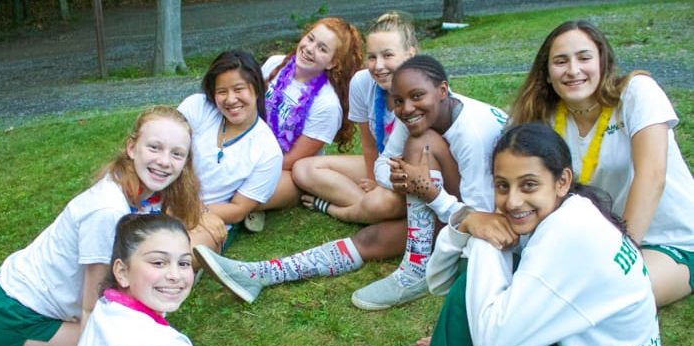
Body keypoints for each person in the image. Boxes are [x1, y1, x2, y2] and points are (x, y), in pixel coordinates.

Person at [194, 55, 506, 311]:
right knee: (371, 239)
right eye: (398, 101)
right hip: (449, 201)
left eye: (416, 97)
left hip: (490, 216)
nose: (407, 108)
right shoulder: (413, 116)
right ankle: (259, 274)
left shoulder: (472, 133)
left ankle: (415, 267)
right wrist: (398, 180)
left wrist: (429, 191)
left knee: (420, 144)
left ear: (443, 90)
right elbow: (384, 164)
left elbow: (479, 218)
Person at [419, 122, 663, 346]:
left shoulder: (567, 234)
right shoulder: (566, 213)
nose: (512, 201)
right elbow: (438, 281)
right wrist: (466, 223)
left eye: (529, 185)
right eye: (502, 186)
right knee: (471, 301)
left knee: (470, 303)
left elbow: (489, 340)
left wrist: (484, 239)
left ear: (562, 182)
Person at [0, 106, 201, 346]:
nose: (164, 161)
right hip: (14, 314)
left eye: (176, 154)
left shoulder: (145, 193)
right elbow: (94, 308)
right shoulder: (108, 210)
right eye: (155, 148)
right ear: (131, 147)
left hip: (31, 306)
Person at [510, 19, 694, 307]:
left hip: (671, 240)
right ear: (546, 73)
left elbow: (652, 175)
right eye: (560, 61)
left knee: (604, 300)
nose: (573, 70)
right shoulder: (545, 119)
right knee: (530, 281)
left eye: (584, 58)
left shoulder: (636, 93)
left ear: (603, 62)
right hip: (598, 243)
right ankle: (468, 335)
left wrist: (619, 256)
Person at [293, 11, 417, 224]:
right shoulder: (362, 82)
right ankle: (371, 209)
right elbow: (369, 145)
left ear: (410, 54)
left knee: (381, 202)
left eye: (388, 55)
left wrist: (385, 184)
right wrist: (373, 179)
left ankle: (335, 209)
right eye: (372, 57)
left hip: (413, 174)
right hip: (382, 164)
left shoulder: (423, 90)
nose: (378, 66)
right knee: (303, 168)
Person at [245, 17, 363, 231]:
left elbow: (292, 159)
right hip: (252, 149)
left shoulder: (326, 105)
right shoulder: (275, 64)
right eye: (310, 39)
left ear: (332, 62)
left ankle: (251, 206)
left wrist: (247, 166)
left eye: (322, 48)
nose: (309, 49)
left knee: (242, 188)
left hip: (287, 171)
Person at [64, 214, 200, 346]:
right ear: (122, 272)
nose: (175, 275)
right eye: (158, 262)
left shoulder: (106, 306)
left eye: (184, 263)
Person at [178, 50, 283, 252]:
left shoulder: (268, 152)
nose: (231, 99)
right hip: (168, 196)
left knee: (175, 255)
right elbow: (163, 150)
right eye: (222, 91)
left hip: (210, 217)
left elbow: (238, 210)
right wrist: (185, 208)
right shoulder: (197, 107)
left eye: (238, 89)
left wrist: (198, 213)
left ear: (257, 89)